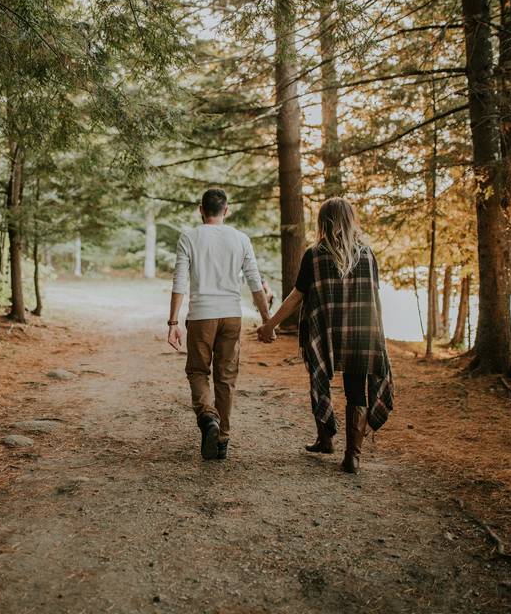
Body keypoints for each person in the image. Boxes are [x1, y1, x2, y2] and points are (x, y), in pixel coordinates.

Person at [256, 197, 393, 474]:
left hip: (326, 332)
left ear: (323, 222)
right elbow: (375, 298)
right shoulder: (367, 254)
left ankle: (326, 438)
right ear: (350, 220)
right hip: (360, 333)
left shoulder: (314, 255)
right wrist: (380, 335)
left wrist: (270, 325)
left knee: (320, 379)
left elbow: (297, 297)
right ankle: (352, 456)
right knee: (356, 390)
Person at [167, 189, 273, 460]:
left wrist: (172, 321)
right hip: (231, 315)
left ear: (200, 209)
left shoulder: (189, 237)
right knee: (226, 378)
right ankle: (222, 439)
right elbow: (254, 281)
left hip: (201, 316)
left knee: (198, 371)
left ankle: (208, 419)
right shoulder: (241, 239)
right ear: (226, 210)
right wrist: (266, 320)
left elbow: (179, 281)